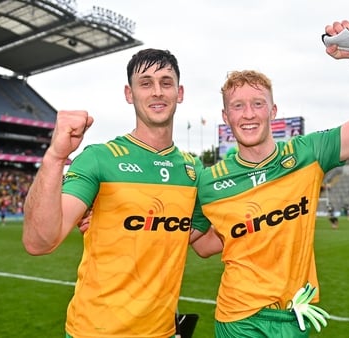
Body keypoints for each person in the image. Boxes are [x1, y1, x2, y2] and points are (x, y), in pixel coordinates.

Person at [192, 18, 349, 337]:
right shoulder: (208, 181)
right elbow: (202, 244)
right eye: (238, 106)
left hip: (295, 316)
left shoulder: (309, 153)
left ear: (273, 111)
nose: (248, 114)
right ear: (226, 117)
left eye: (257, 104)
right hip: (238, 318)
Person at [22, 48, 212, 338]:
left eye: (166, 82)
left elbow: (196, 238)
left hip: (162, 332)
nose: (157, 91)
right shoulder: (99, 158)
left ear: (180, 92)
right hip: (95, 332)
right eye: (145, 83)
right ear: (129, 93)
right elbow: (38, 242)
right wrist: (55, 157)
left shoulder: (193, 170)